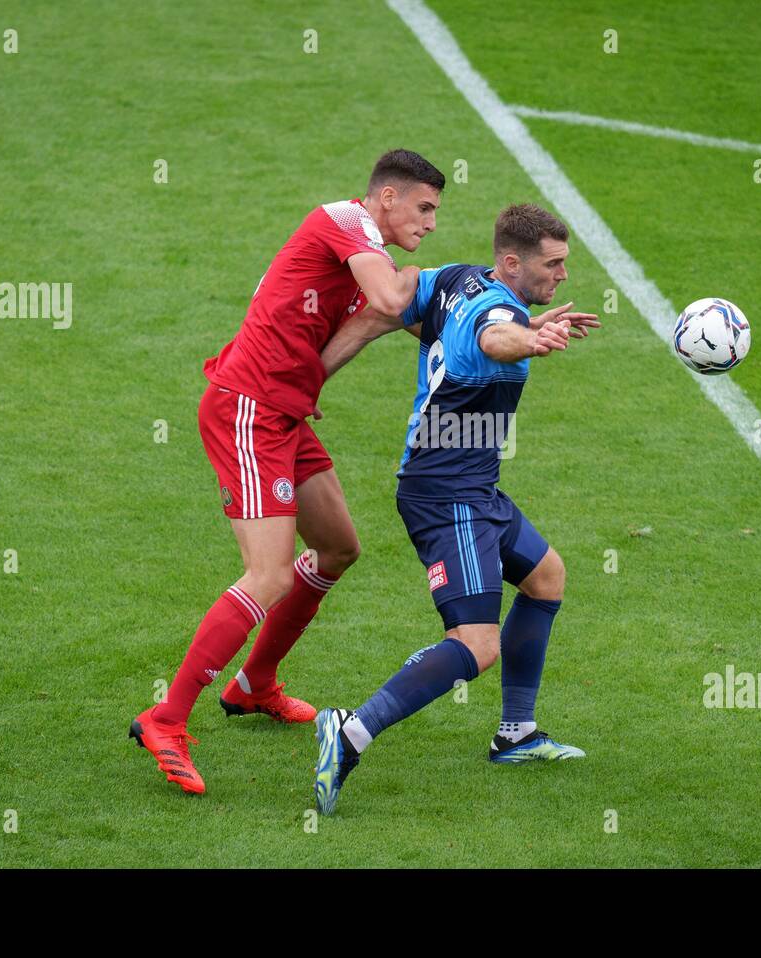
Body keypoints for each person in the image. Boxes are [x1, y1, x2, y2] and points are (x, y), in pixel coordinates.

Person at [129, 150, 445, 794]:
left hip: (283, 413)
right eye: (425, 208)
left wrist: (518, 325)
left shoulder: (361, 260)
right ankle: (166, 718)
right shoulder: (343, 222)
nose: (432, 223)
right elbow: (391, 298)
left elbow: (370, 322)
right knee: (269, 572)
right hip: (248, 409)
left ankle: (253, 685)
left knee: (337, 548)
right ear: (387, 197)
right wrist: (413, 279)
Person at [311, 203, 599, 814]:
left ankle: (515, 733)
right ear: (513, 262)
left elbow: (404, 295)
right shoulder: (498, 315)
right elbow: (496, 339)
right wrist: (533, 338)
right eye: (553, 264)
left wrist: (317, 373)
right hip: (448, 496)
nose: (563, 276)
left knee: (546, 578)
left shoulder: (457, 280)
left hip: (472, 484)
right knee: (476, 643)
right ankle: (351, 731)